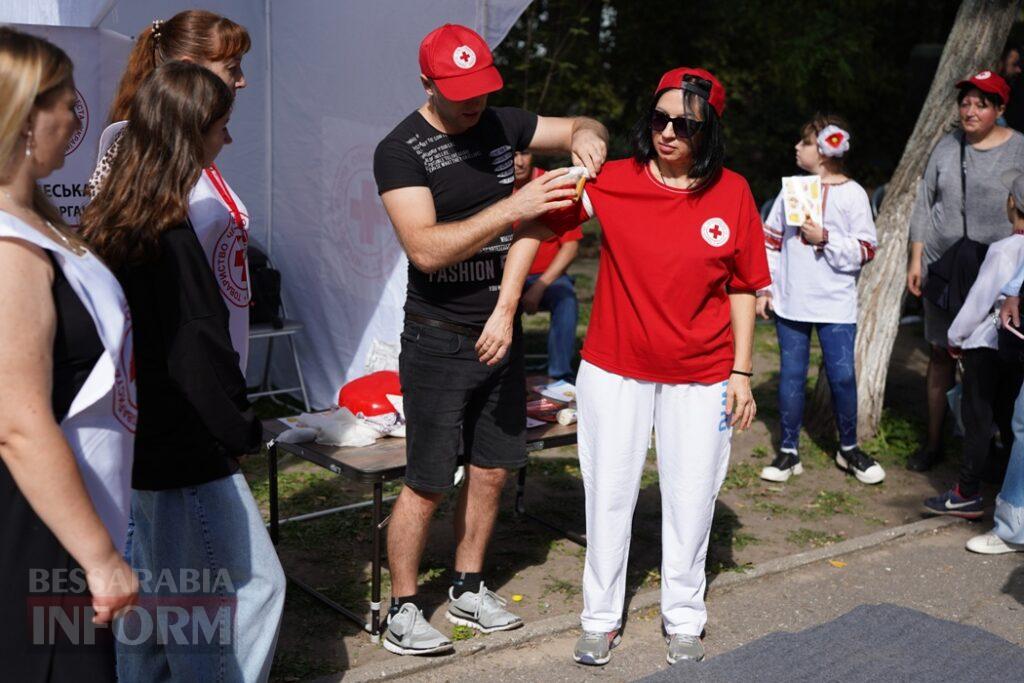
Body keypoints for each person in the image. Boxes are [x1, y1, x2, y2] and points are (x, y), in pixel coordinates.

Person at [373, 23, 607, 656]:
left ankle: (468, 587)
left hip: (501, 327)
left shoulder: (500, 122)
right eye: (459, 92)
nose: (475, 102)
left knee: (493, 469)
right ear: (427, 83)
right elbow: (425, 249)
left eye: (482, 88)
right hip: (438, 335)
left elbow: (581, 123)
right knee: (426, 479)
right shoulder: (400, 150)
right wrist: (514, 205)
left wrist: (588, 139)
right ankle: (399, 608)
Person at [539, 67, 767, 666]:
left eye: (685, 124)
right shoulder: (612, 180)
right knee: (608, 492)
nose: (667, 133)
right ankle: (599, 617)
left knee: (692, 496)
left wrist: (741, 372)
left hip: (704, 372)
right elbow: (541, 219)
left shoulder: (733, 192)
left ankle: (684, 617)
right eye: (660, 119)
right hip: (616, 369)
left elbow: (744, 285)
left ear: (709, 129)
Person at [80, 62, 284, 682]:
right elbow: (198, 351)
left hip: (137, 445)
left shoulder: (116, 219)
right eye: (223, 126)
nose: (228, 139)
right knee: (243, 596)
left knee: (157, 607)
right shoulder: (167, 235)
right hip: (183, 449)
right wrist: (241, 431)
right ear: (191, 133)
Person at [0, 28, 137, 680]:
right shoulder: (8, 250)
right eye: (67, 102)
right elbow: (17, 424)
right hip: (36, 529)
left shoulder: (35, 220)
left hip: (64, 508)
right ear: (26, 115)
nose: (76, 115)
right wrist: (99, 556)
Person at [90, 9, 253, 371]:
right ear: (187, 68)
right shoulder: (143, 156)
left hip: (218, 368)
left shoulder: (193, 149)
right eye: (232, 67)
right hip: (183, 377)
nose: (241, 81)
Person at [907, 70, 1024, 472]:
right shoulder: (946, 145)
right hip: (943, 268)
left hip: (998, 272)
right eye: (965, 102)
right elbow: (924, 202)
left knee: (993, 363)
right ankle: (934, 442)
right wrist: (916, 259)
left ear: (1000, 109)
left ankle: (995, 453)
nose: (970, 110)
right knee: (940, 354)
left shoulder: (1019, 150)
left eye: (982, 103)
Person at [757, 114, 883, 485]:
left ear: (828, 149)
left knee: (843, 377)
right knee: (791, 376)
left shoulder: (854, 193)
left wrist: (825, 237)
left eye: (806, 143)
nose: (797, 148)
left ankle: (849, 449)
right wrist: (767, 288)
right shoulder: (792, 189)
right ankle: (789, 451)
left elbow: (866, 248)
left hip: (835, 303)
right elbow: (771, 241)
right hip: (792, 300)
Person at [924, 169, 1024, 518]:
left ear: (1011, 203)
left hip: (988, 342)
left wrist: (955, 337)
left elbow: (980, 301)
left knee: (977, 419)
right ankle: (1013, 491)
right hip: (1017, 346)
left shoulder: (1004, 249)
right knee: (1011, 417)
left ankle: (966, 491)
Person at [515, 150, 582, 383]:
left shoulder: (553, 185)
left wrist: (540, 286)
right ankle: (505, 374)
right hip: (509, 277)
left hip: (549, 278)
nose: (518, 161)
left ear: (532, 154)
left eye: (523, 153)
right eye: (511, 154)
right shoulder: (496, 188)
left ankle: (559, 376)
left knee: (566, 299)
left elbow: (571, 246)